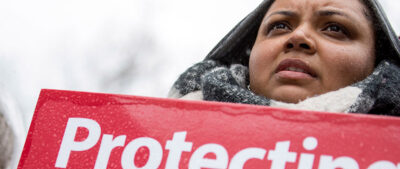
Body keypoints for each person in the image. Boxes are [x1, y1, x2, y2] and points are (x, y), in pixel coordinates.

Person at [169, 0, 400, 116]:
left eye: (334, 28)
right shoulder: (157, 147)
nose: (298, 36)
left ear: (377, 61)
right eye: (280, 25)